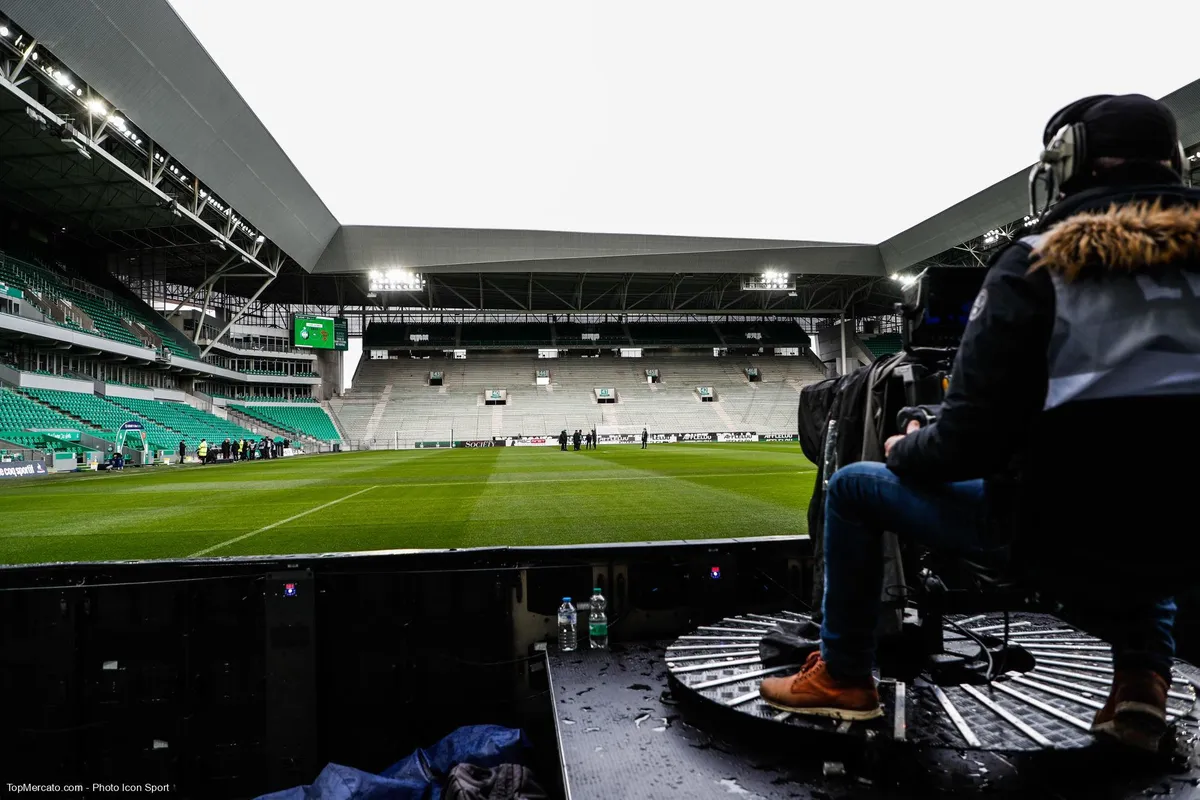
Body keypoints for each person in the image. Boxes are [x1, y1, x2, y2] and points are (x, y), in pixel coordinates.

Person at [759, 94, 1200, 750]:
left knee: (853, 488)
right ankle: (1141, 683)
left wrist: (907, 446)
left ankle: (844, 678)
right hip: (1186, 542)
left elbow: (967, 445)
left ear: (1068, 160)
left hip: (1055, 537)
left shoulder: (1037, 265)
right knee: (1154, 488)